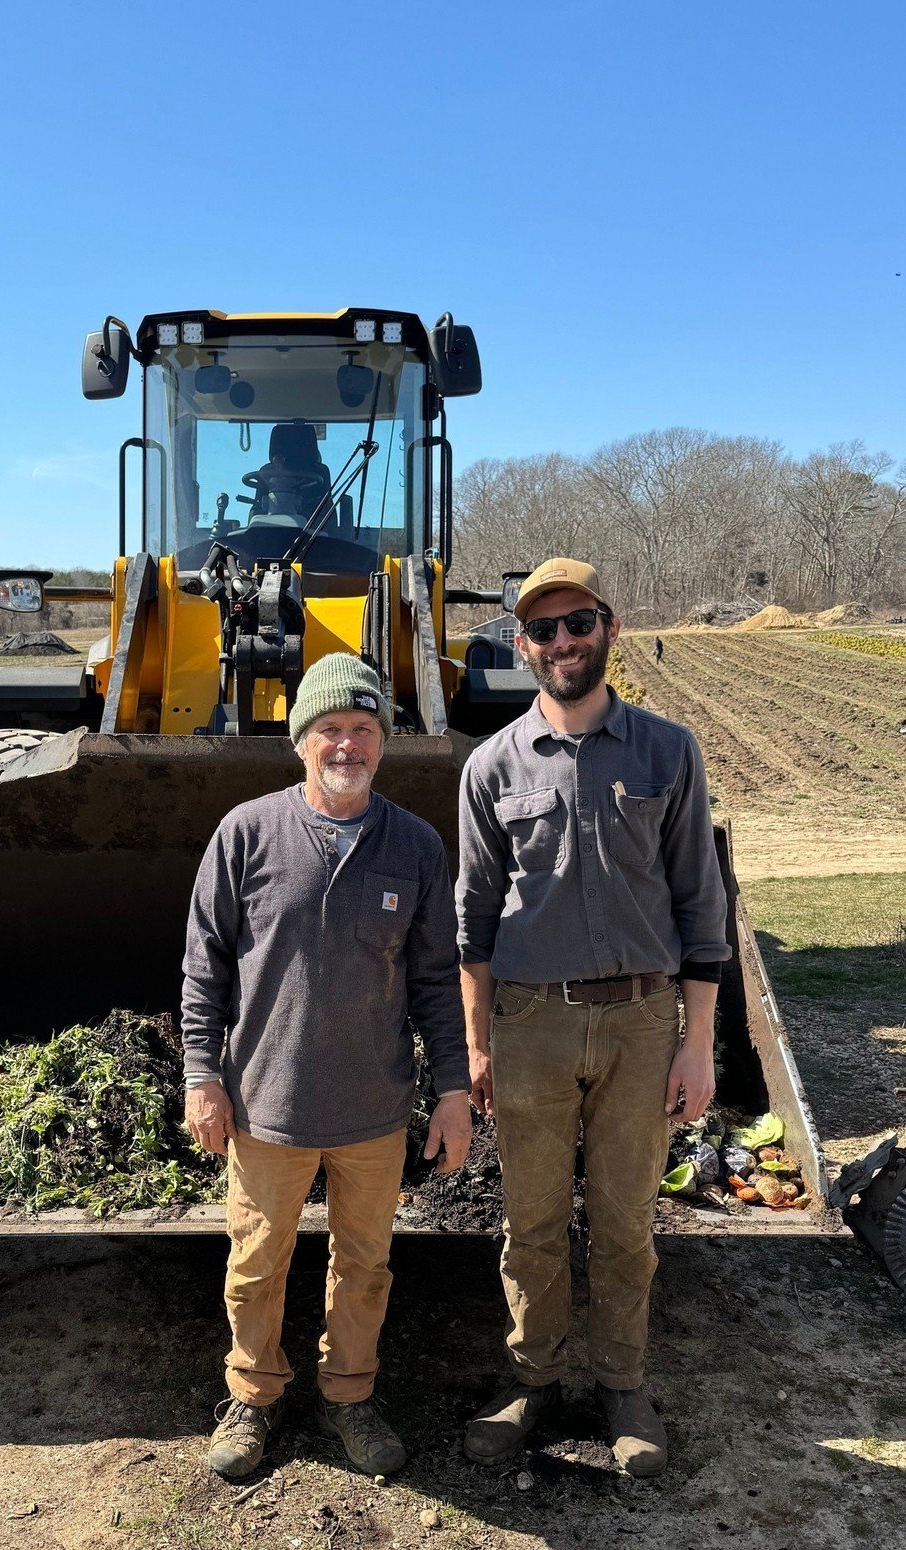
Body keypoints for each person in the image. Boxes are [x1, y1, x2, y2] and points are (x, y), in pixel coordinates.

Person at [456, 558, 729, 1476]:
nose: (562, 643)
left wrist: (698, 1045)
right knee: (529, 1219)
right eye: (543, 631)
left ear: (607, 628)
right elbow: (472, 921)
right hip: (530, 1025)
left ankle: (621, 1384)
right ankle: (531, 1381)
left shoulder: (666, 750)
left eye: (578, 624)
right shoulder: (490, 766)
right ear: (522, 647)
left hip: (642, 1026)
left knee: (624, 1221)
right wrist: (477, 1043)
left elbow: (701, 903)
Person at [182, 652, 473, 1480]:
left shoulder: (413, 846)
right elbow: (203, 965)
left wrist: (451, 1089)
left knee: (364, 1264)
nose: (346, 745)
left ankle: (349, 1395)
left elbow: (432, 980)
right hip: (264, 1102)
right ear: (300, 740)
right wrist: (203, 1075)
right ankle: (253, 1395)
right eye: (329, 730)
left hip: (374, 1110)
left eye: (363, 730)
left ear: (382, 743)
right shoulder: (246, 833)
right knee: (256, 1259)